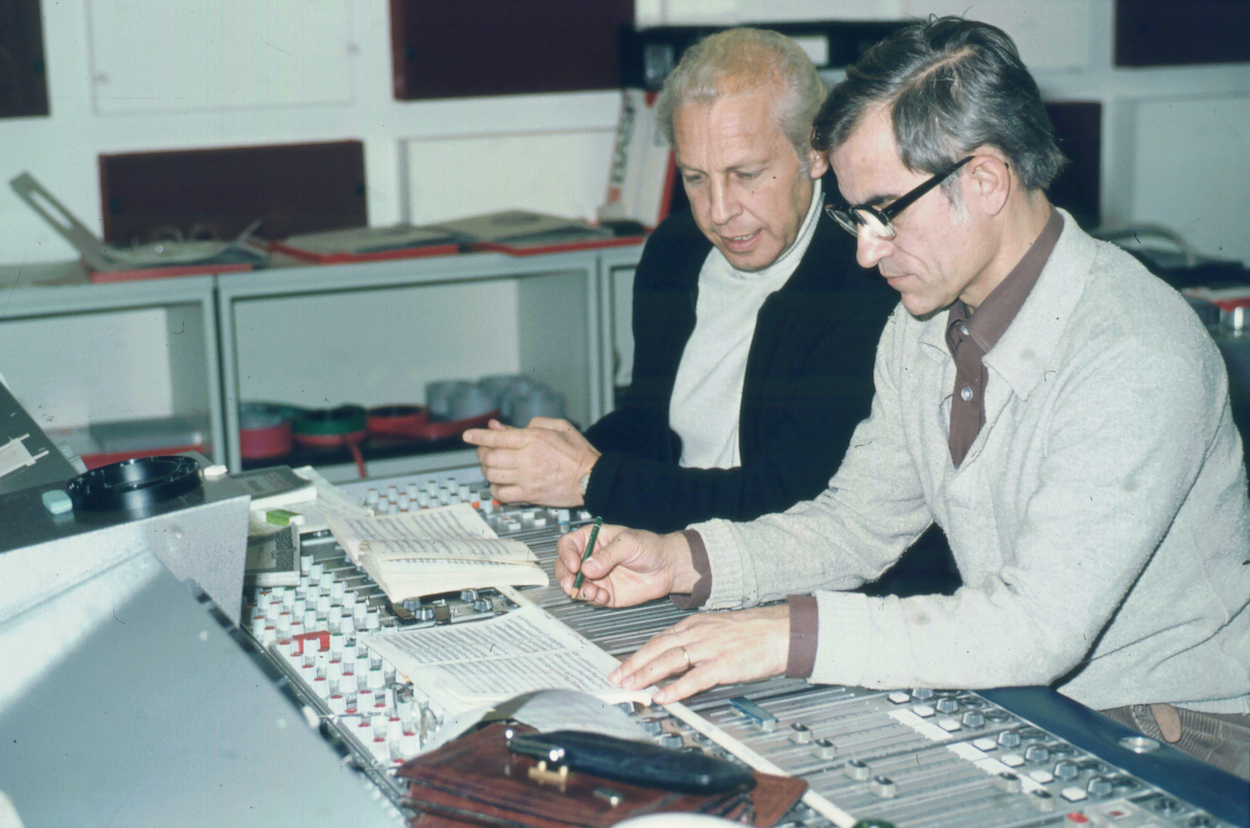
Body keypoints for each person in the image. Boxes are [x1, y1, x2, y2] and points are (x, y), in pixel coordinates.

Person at [554, 17, 1250, 779]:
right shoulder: (923, 327)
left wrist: (780, 635)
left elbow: (1038, 626)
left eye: (885, 211)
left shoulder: (1135, 351)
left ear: (985, 180)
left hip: (1181, 732)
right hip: (1037, 705)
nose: (865, 248)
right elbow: (855, 525)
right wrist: (681, 560)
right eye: (856, 215)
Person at [463, 28, 900, 536]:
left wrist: (589, 477)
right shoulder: (675, 250)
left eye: (747, 175)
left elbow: (789, 499)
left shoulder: (865, 276)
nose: (718, 212)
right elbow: (652, 426)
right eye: (695, 178)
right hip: (673, 540)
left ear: (815, 152)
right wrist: (560, 452)